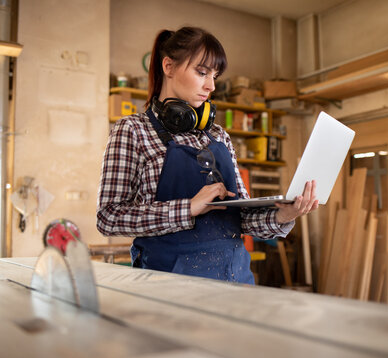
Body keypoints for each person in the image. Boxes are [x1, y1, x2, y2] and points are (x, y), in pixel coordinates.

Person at [97, 27, 319, 285]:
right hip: (169, 285)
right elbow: (109, 218)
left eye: (214, 76)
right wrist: (188, 208)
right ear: (168, 66)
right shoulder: (133, 130)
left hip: (235, 278)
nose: (210, 86)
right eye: (201, 72)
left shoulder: (219, 136)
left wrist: (285, 215)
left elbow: (244, 220)